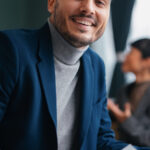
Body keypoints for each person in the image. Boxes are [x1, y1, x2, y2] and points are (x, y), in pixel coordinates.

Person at [0, 0, 149, 149]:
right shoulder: (10, 49)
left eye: (100, 2)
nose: (89, 9)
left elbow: (100, 140)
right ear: (51, 3)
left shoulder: (96, 65)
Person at [108, 38, 150, 147]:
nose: (125, 56)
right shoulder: (124, 91)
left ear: (147, 61)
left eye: (131, 53)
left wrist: (126, 120)